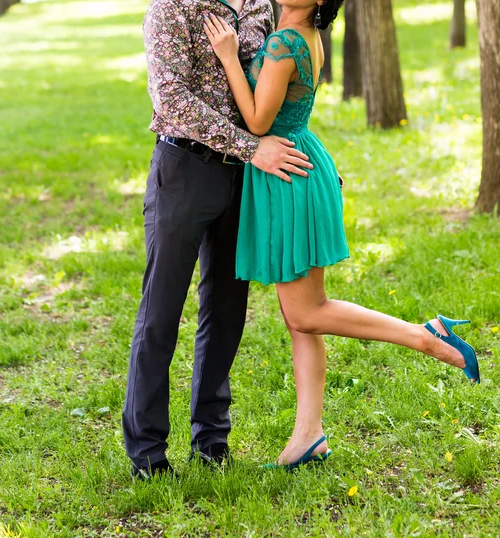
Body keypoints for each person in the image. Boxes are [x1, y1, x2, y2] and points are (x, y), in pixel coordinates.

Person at [204, 0, 480, 468]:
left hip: (286, 176)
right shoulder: (304, 35)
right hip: (299, 165)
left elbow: (256, 123)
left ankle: (424, 335)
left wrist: (230, 57)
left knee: (307, 313)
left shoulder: (283, 43)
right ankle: (308, 435)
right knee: (300, 319)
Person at [122, 0, 315, 480]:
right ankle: (147, 452)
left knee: (226, 312)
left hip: (243, 181)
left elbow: (272, 93)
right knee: (161, 312)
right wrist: (252, 147)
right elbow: (171, 98)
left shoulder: (258, 6)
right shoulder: (171, 7)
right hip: (184, 171)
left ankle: (211, 440)